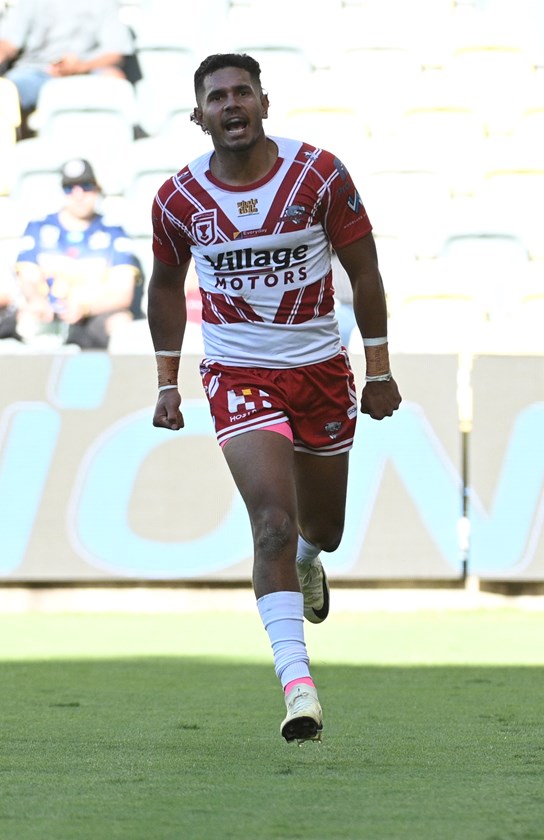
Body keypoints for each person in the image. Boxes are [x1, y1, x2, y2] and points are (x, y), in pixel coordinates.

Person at [147, 53, 402, 744]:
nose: (231, 105)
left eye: (241, 93)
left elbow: (366, 270)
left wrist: (377, 369)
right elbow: (166, 286)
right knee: (269, 523)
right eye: (216, 98)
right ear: (197, 116)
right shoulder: (178, 199)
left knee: (323, 530)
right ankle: (299, 690)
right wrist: (167, 383)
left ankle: (312, 563)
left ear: (264, 101)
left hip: (320, 370)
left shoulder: (319, 173)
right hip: (237, 373)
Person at [15, 157, 143, 349]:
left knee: (121, 322)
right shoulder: (38, 228)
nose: (78, 194)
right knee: (25, 317)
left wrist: (84, 308)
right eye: (69, 188)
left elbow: (122, 293)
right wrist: (37, 301)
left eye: (85, 186)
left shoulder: (115, 232)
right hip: (49, 315)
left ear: (97, 189)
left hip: (94, 314)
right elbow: (28, 279)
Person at [0, 0, 134, 133]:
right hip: (36, 72)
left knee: (114, 78)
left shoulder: (104, 3)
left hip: (88, 71)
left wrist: (82, 67)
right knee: (6, 90)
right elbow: (8, 43)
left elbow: (116, 53)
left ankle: (113, 142)